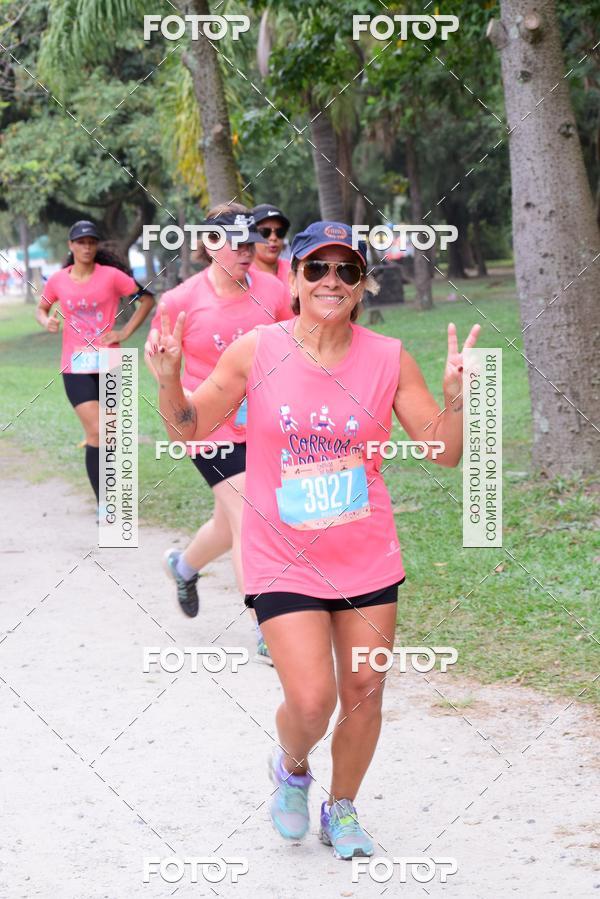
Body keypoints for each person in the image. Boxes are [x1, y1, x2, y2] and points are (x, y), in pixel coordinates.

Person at [146, 220, 480, 860]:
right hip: (282, 555)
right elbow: (190, 429)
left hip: (365, 552)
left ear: (361, 285)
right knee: (310, 698)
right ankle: (293, 767)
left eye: (347, 270)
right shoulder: (257, 349)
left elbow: (442, 452)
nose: (332, 281)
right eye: (317, 269)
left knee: (363, 692)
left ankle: (344, 808)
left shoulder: (387, 357)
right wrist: (166, 382)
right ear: (293, 278)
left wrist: (456, 400)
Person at [147, 203, 291, 663]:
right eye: (240, 244)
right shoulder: (180, 302)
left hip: (267, 426)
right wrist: (167, 373)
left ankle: (183, 567)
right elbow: (164, 371)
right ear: (211, 247)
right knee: (252, 520)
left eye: (253, 242)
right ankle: (266, 626)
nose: (251, 251)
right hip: (209, 429)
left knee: (228, 524)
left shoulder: (272, 290)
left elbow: (296, 343)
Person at [35, 221, 154, 514]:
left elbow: (147, 299)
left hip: (108, 360)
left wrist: (124, 333)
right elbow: (42, 308)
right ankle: (105, 503)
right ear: (71, 246)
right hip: (75, 366)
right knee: (97, 431)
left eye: (91, 242)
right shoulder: (58, 280)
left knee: (109, 434)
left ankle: (110, 491)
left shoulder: (112, 276)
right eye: (81, 242)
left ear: (96, 245)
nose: (87, 247)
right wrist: (46, 321)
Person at [250, 204, 291, 288]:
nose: (273, 238)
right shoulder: (243, 276)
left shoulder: (293, 271)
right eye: (265, 232)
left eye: (280, 232)